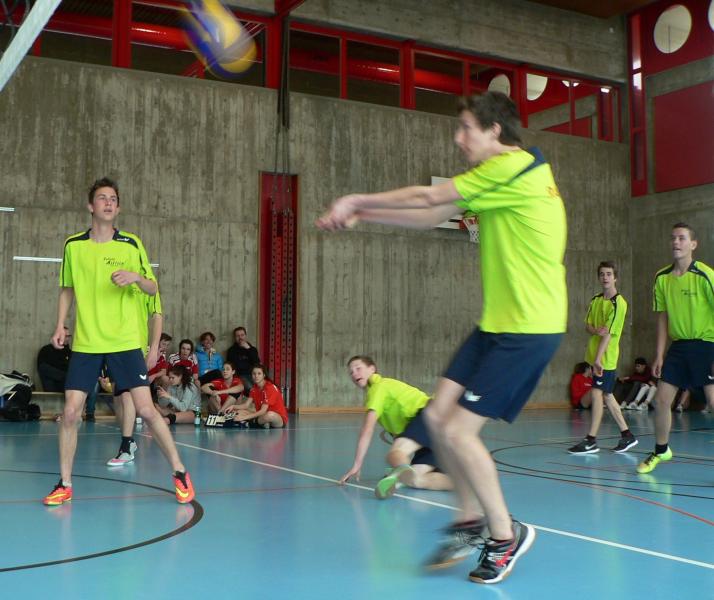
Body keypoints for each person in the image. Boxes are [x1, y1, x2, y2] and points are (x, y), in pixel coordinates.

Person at [317, 92, 566, 584]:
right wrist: (365, 218)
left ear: (494, 131)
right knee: (435, 416)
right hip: (497, 324)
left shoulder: (512, 169)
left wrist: (357, 200)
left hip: (529, 328)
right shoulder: (503, 175)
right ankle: (469, 520)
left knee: (457, 431)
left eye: (467, 128)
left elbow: (430, 198)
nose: (458, 138)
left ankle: (504, 536)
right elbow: (432, 216)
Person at [43, 177, 195, 506]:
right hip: (87, 343)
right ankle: (64, 483)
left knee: (147, 410)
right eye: (102, 198)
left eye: (113, 198)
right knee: (70, 413)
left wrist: (136, 278)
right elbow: (67, 288)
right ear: (91, 206)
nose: (109, 202)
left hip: (124, 342)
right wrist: (59, 324)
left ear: (118, 207)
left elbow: (153, 289)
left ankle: (180, 471)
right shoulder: (73, 245)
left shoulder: (131, 244)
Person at [636, 223, 714, 474]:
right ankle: (661, 450)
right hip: (678, 347)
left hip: (706, 345)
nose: (676, 242)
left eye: (682, 238)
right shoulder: (662, 277)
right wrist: (659, 354)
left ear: (693, 244)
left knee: (713, 403)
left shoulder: (705, 275)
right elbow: (662, 317)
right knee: (661, 400)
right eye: (673, 238)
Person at [339, 355, 452, 498]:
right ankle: (463, 483)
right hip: (441, 426)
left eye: (358, 368)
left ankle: (398, 475)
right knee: (415, 480)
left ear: (372, 369)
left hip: (432, 414)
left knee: (395, 454)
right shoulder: (383, 389)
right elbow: (401, 432)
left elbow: (367, 429)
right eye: (351, 372)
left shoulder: (378, 387)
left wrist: (357, 464)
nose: (354, 373)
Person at [568, 262, 638, 455]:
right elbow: (588, 326)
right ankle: (627, 435)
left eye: (609, 274)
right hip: (594, 356)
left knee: (597, 394)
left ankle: (591, 440)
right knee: (607, 394)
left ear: (615, 278)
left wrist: (598, 360)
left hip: (605, 358)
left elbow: (608, 335)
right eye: (602, 274)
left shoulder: (619, 303)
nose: (605, 277)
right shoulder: (596, 300)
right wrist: (595, 331)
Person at [106, 294, 163, 467]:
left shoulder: (148, 284)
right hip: (112, 345)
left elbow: (157, 316)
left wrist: (154, 349)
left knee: (127, 395)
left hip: (134, 348)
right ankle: (128, 441)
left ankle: (126, 445)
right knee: (118, 396)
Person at [230, 364, 288, 429]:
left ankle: (250, 424)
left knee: (270, 415)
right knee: (239, 412)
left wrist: (244, 417)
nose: (256, 376)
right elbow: (246, 405)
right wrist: (233, 406)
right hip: (262, 415)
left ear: (264, 375)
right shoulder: (254, 389)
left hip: (278, 418)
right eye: (254, 374)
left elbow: (263, 411)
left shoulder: (269, 388)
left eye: (259, 373)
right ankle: (262, 423)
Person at [225, 326, 260, 393]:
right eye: (238, 336)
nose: (240, 337)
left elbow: (257, 363)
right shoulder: (231, 350)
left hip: (254, 374)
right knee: (251, 389)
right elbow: (231, 366)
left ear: (245, 336)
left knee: (265, 387)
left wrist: (248, 349)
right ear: (235, 338)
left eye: (242, 335)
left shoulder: (253, 349)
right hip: (240, 375)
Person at [37, 327, 72, 392]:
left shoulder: (69, 353)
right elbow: (43, 368)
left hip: (68, 387)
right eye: (65, 336)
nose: (67, 338)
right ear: (57, 336)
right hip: (53, 387)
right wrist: (65, 376)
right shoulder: (46, 350)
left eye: (69, 336)